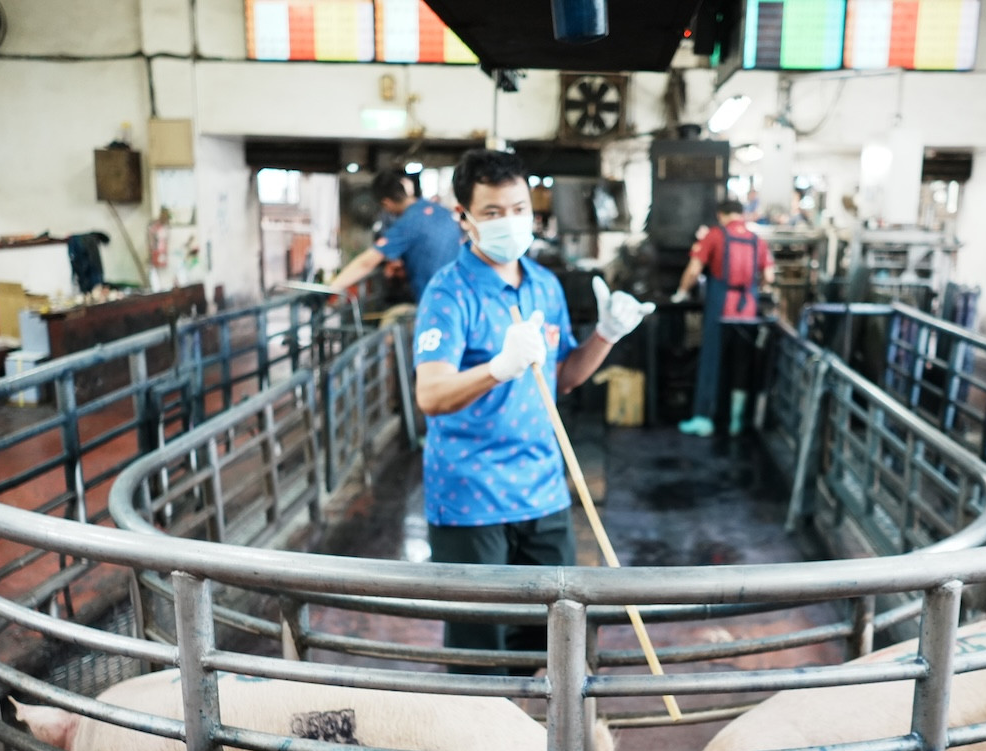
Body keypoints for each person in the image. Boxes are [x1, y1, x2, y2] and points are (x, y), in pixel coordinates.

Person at [412, 147, 654, 668]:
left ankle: (532, 722)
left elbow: (562, 378)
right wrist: (498, 367)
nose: (510, 221)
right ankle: (482, 724)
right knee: (479, 652)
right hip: (471, 497)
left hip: (542, 491)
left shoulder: (544, 285)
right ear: (464, 217)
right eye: (493, 212)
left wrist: (606, 335)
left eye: (519, 209)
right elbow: (430, 394)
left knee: (550, 643)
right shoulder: (448, 294)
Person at [671, 199, 775, 437]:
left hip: (721, 308)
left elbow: (694, 270)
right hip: (748, 310)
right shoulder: (757, 240)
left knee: (711, 360)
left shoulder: (715, 235)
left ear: (721, 215)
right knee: (742, 363)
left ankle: (704, 418)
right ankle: (736, 421)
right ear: (742, 214)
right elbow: (769, 276)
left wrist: (681, 293)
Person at [328, 169, 463, 301]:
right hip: (460, 292)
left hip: (437, 300)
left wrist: (329, 290)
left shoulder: (409, 222)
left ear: (386, 203)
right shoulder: (441, 211)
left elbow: (366, 263)